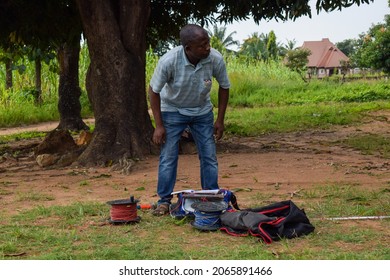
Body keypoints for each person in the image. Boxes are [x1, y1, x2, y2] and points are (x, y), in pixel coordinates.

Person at [148, 24, 230, 216]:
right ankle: (164, 201)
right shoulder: (169, 61)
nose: (208, 47)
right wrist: (159, 125)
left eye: (208, 42)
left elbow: (224, 87)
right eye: (202, 45)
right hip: (172, 111)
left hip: (202, 112)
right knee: (168, 157)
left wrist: (220, 120)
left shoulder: (214, 58)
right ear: (188, 49)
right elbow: (153, 91)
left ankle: (211, 197)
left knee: (209, 155)